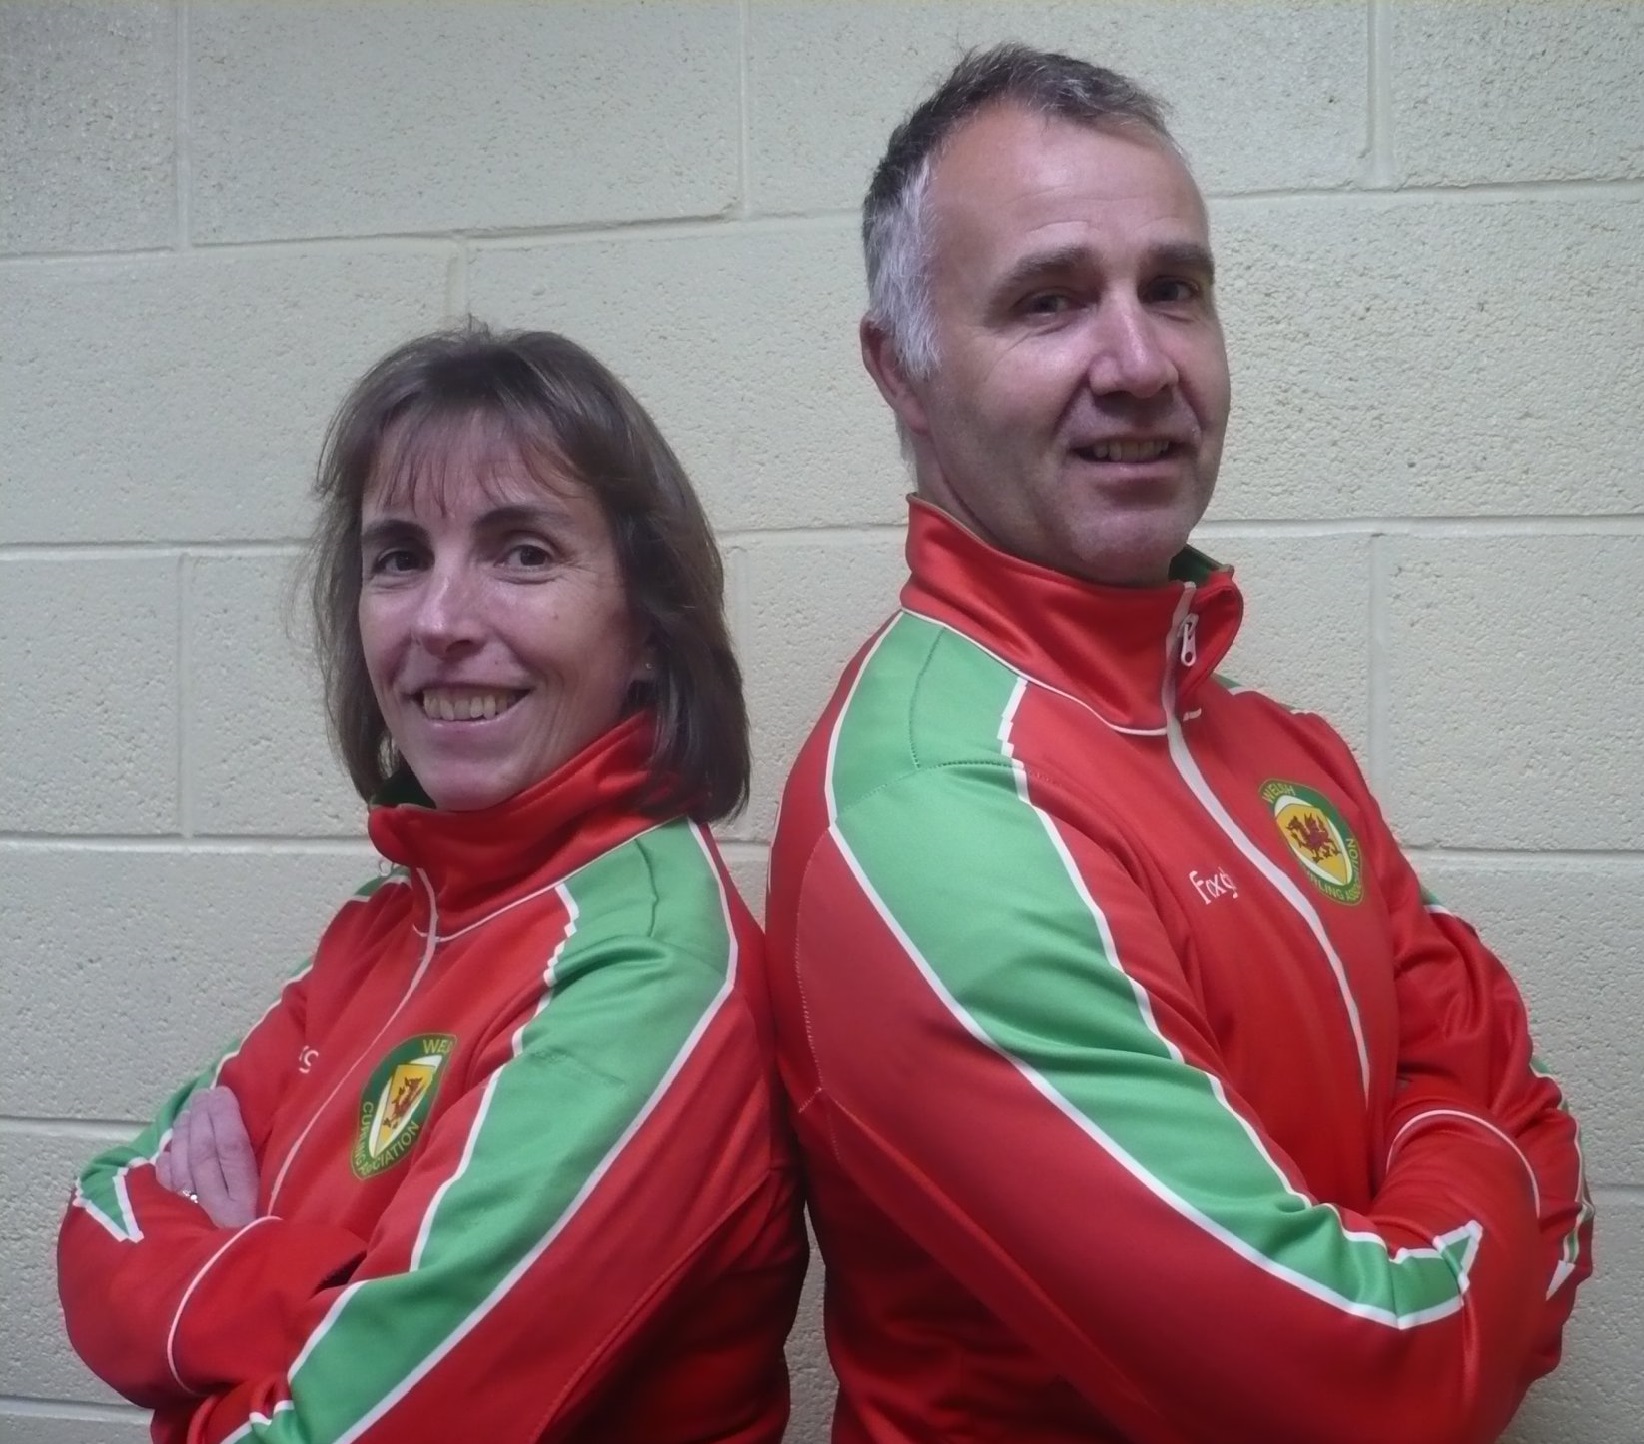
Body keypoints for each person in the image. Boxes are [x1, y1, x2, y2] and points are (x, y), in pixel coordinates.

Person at [764, 43, 1591, 1444]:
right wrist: (1479, 1164)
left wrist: (1466, 1223)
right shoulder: (935, 813)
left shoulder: (1270, 740)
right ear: (900, 368)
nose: (1139, 362)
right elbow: (1361, 1394)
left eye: (1176, 289)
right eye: (1048, 301)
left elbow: (1528, 1094)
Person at [59, 325, 806, 1444]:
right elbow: (99, 1215)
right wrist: (298, 1294)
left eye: (522, 553)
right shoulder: (393, 918)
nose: (443, 621)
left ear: (649, 628)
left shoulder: (645, 975)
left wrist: (210, 1317)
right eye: (400, 556)